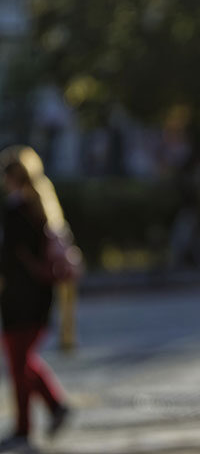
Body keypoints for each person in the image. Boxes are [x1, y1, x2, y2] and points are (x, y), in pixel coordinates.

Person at [0, 145, 70, 451]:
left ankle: (27, 425)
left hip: (18, 297)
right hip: (40, 295)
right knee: (22, 360)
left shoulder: (16, 212)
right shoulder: (43, 207)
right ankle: (52, 409)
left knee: (18, 362)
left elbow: (9, 256)